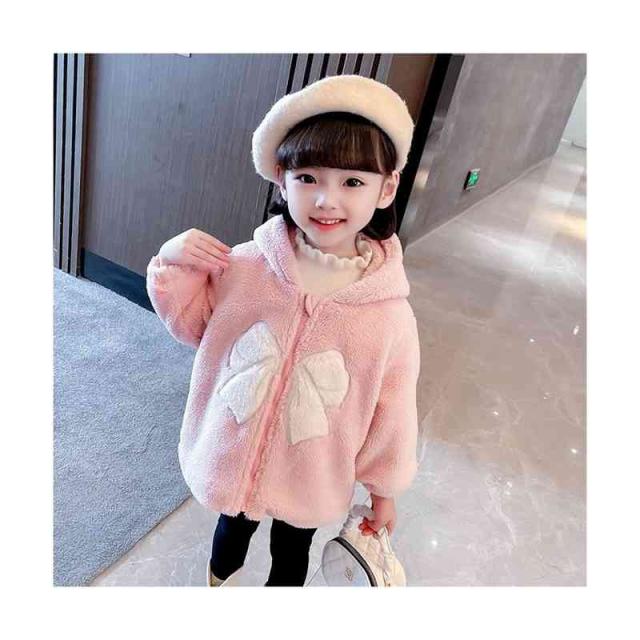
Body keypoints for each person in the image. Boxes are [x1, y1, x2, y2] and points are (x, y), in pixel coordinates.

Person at [145, 74, 421, 587]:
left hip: (313, 475)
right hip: (233, 459)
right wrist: (173, 261)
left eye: (353, 182)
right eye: (308, 178)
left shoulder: (387, 314)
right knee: (229, 536)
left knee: (291, 555)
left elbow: (394, 408)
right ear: (281, 180)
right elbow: (194, 323)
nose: (326, 200)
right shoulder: (246, 267)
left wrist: (384, 491)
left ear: (387, 188)